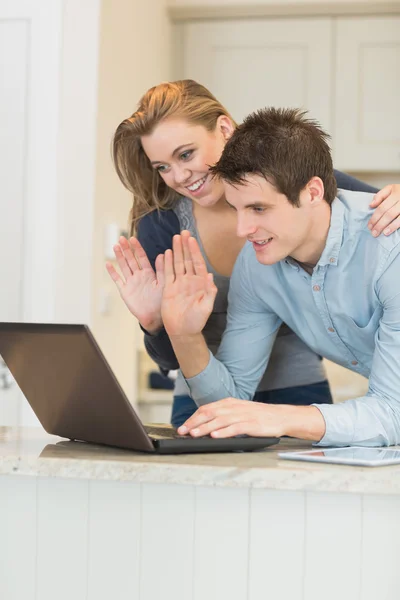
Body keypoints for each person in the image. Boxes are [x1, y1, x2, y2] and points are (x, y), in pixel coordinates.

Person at [107, 79, 400, 428]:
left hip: (299, 385)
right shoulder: (172, 228)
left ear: (224, 129)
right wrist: (159, 325)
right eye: (162, 167)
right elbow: (188, 370)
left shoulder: (300, 179)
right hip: (212, 387)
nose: (180, 175)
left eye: (186, 154)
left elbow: (363, 209)